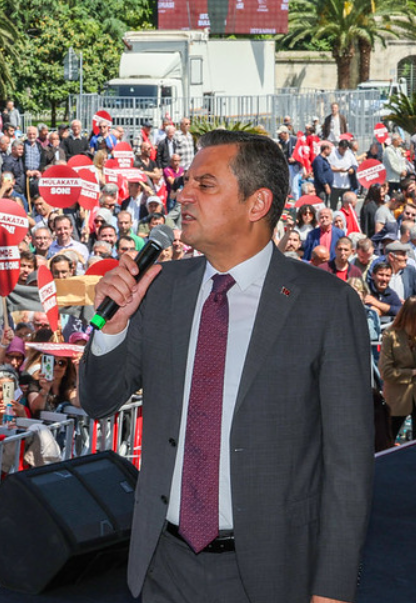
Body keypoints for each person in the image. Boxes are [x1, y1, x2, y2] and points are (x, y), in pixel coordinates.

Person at [80, 130, 372, 603]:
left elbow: (348, 467)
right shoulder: (161, 288)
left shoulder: (324, 304)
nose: (184, 194)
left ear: (257, 204)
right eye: (186, 181)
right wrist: (111, 328)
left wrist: (332, 590)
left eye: (205, 184)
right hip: (162, 565)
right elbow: (97, 401)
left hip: (270, 573)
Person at [379, 296, 416, 440]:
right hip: (397, 398)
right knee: (388, 439)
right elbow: (386, 371)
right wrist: (411, 373)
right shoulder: (390, 335)